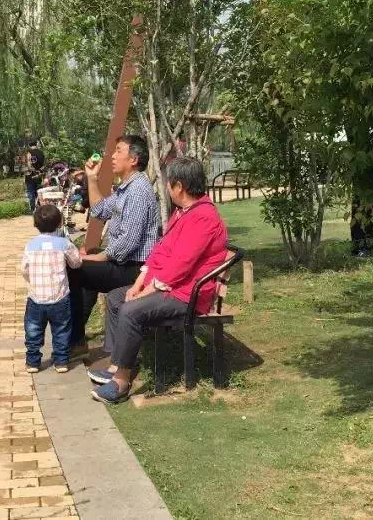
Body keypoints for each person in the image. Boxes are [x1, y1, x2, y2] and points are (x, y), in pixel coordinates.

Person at [88, 156, 228, 404]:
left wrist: (146, 291)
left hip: (188, 295)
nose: (166, 188)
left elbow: (181, 264)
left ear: (179, 187)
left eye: (168, 183)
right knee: (117, 297)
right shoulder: (184, 212)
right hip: (174, 286)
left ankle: (121, 383)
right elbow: (161, 251)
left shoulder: (203, 217)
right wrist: (139, 282)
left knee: (131, 310)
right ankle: (117, 365)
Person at [67, 135, 160, 354]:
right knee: (84, 266)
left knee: (77, 269)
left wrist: (96, 257)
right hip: (125, 263)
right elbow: (99, 210)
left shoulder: (138, 191)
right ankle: (75, 340)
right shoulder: (126, 188)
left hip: (136, 269)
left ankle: (73, 339)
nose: (113, 156)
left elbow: (127, 243)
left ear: (133, 159)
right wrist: (92, 178)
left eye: (119, 151)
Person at [20, 204, 82, 373]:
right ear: (60, 223)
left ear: (35, 224)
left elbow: (24, 269)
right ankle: (61, 362)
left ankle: (33, 362)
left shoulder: (30, 245)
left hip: (36, 298)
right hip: (60, 297)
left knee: (33, 330)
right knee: (61, 330)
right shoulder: (64, 244)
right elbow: (76, 263)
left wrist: (32, 280)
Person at [22, 141, 46, 212]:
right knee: (38, 192)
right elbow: (43, 165)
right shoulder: (41, 152)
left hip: (30, 175)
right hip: (39, 175)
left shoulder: (28, 153)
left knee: (30, 192)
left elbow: (28, 165)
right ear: (36, 145)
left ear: (29, 145)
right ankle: (39, 208)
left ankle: (32, 209)